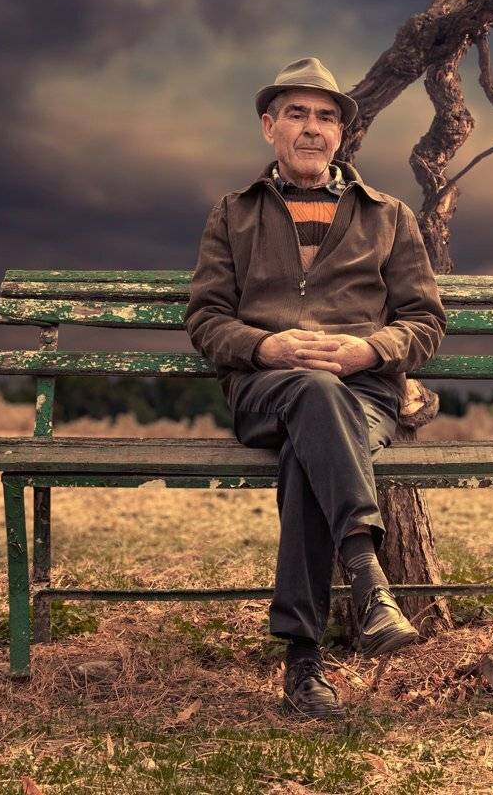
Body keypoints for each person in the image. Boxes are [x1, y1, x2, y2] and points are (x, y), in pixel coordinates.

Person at [183, 57, 447, 718]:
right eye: (296, 114)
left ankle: (303, 666)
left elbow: (423, 322)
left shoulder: (387, 217)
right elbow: (206, 318)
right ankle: (366, 574)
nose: (312, 127)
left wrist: (367, 350)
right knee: (308, 396)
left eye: (326, 116)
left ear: (341, 135)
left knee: (316, 433)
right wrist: (265, 346)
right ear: (269, 127)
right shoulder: (233, 215)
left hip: (362, 396)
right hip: (266, 391)